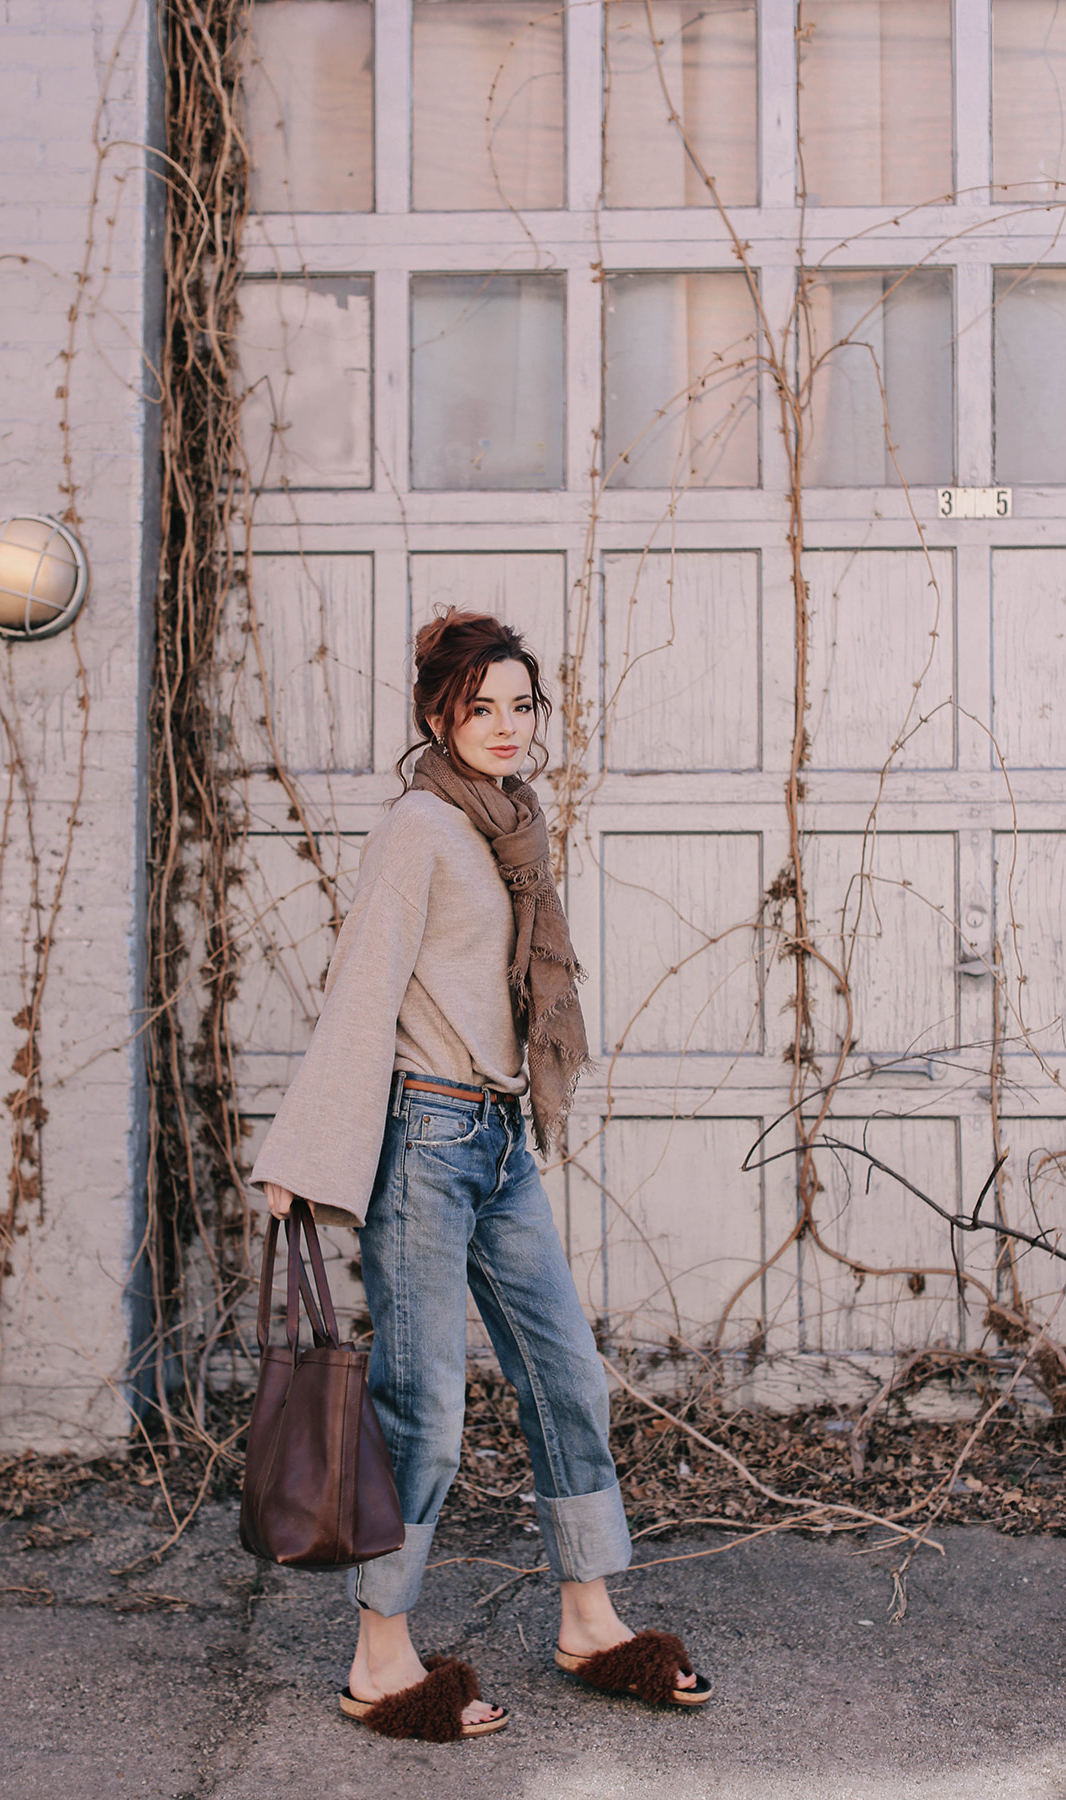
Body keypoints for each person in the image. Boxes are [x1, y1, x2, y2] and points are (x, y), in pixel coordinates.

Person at [251, 607, 712, 1741]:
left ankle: (589, 1622)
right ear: (435, 717)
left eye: (521, 707)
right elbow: (364, 984)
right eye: (480, 709)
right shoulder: (421, 826)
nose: (505, 728)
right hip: (425, 1140)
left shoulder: (514, 824)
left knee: (567, 1378)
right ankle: (379, 1657)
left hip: (498, 1141)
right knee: (424, 1414)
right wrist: (306, 1158)